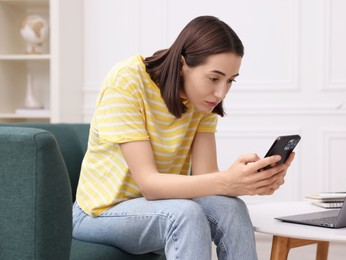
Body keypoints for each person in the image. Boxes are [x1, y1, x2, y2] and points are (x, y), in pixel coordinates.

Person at [72, 15, 295, 260]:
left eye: (230, 81)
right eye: (213, 78)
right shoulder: (128, 80)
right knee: (183, 214)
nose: (221, 92)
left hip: (161, 208)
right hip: (100, 214)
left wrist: (248, 182)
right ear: (182, 64)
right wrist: (227, 181)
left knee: (231, 208)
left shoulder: (204, 103)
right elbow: (149, 185)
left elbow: (205, 179)